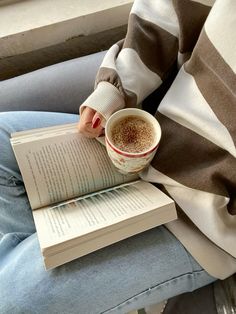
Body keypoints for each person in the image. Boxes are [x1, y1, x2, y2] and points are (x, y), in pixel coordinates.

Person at [0, 0, 235, 313]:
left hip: (205, 218)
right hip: (152, 140)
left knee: (14, 300)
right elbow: (168, 11)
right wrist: (116, 89)